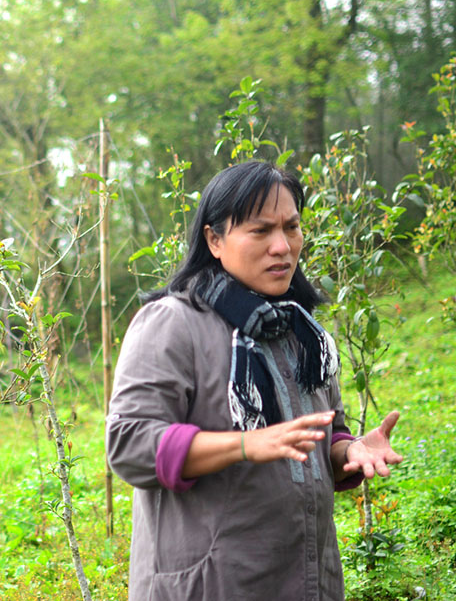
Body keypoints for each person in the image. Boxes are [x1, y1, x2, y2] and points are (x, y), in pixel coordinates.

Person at [106, 160, 403, 600]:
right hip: (212, 584)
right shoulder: (172, 323)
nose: (282, 246)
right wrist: (244, 444)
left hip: (304, 578)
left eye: (292, 227)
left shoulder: (303, 332)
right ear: (215, 239)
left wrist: (348, 451)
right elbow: (129, 445)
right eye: (261, 231)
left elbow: (323, 435)